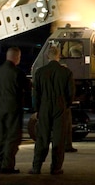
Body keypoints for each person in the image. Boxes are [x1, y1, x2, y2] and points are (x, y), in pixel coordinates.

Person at [29, 46, 75, 175]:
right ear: (58, 56)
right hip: (60, 106)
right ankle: (55, 168)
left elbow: (36, 94)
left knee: (42, 137)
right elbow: (71, 93)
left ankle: (36, 167)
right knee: (59, 138)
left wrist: (37, 109)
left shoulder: (40, 72)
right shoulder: (66, 72)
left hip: (44, 106)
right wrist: (66, 105)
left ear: (47, 56)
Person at [0, 46, 30, 174]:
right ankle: (7, 166)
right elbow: (27, 87)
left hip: (0, 108)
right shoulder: (17, 73)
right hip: (13, 108)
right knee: (13, 137)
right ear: (16, 57)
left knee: (2, 137)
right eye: (19, 57)